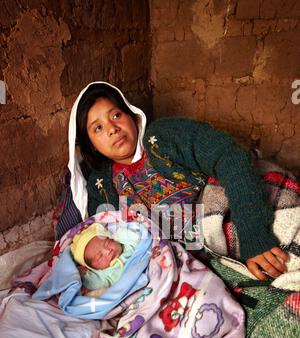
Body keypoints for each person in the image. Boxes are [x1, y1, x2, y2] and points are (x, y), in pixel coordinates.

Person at [55, 81, 289, 281]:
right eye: (98, 128)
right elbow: (103, 239)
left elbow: (230, 157)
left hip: (232, 218)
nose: (113, 129)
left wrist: (254, 236)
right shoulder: (102, 185)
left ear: (131, 115)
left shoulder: (162, 137)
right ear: (91, 146)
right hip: (185, 260)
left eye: (116, 115)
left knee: (282, 250)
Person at [70, 221, 141, 292]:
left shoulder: (127, 247)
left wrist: (116, 234)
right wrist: (81, 273)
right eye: (100, 256)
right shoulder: (102, 275)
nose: (107, 251)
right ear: (93, 268)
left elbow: (136, 237)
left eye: (108, 243)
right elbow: (89, 283)